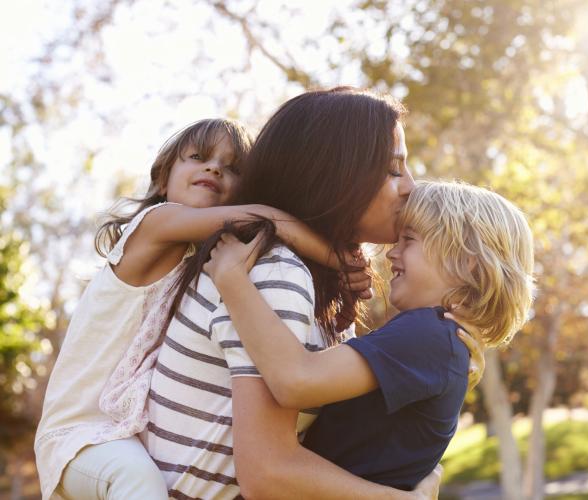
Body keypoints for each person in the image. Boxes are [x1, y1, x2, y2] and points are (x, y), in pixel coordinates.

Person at [143, 88, 481, 499]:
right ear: (336, 174)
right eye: (394, 170)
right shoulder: (273, 272)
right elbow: (268, 473)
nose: (411, 186)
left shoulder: (314, 281)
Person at [34, 118, 360, 500]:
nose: (214, 168)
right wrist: (339, 262)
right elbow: (263, 219)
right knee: (140, 482)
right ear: (161, 179)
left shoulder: (205, 260)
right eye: (198, 157)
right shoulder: (154, 224)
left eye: (233, 167)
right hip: (81, 433)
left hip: (128, 431)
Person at [206, 180, 535, 490]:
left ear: (468, 265)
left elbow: (296, 379)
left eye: (409, 239)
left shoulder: (428, 334)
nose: (392, 253)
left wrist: (232, 279)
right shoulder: (440, 341)